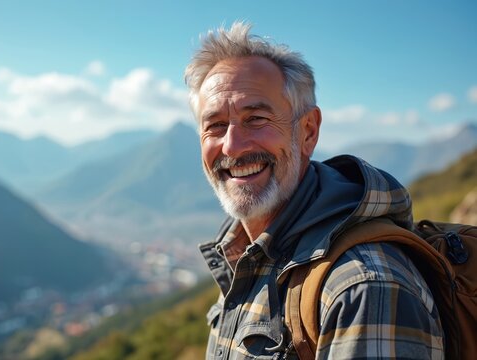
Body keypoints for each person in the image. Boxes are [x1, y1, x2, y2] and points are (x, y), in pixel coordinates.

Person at [184, 22, 444, 359]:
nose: (231, 146)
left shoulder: (361, 288)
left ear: (308, 131)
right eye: (215, 126)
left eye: (256, 118)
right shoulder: (247, 256)